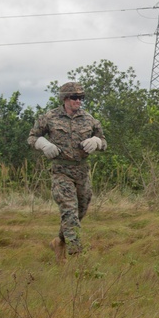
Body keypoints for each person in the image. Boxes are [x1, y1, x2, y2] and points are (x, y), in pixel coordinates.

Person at [27, 81, 107, 260]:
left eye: (81, 98)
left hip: (82, 172)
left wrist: (97, 142)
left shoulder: (89, 119)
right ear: (65, 99)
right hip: (61, 171)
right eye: (75, 97)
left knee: (80, 211)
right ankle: (76, 256)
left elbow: (103, 140)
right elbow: (32, 137)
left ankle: (59, 242)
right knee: (69, 211)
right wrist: (43, 144)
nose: (78, 101)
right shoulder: (49, 117)